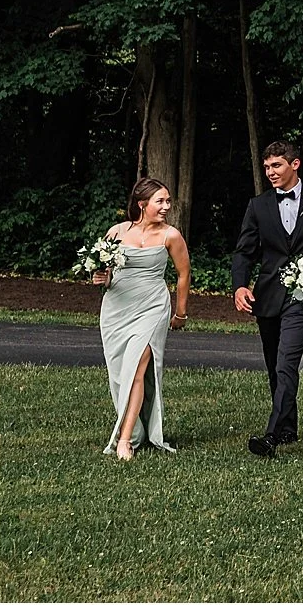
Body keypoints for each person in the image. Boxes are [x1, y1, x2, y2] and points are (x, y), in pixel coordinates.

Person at [232, 140, 303, 457]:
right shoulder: (258, 205)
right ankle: (288, 426)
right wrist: (239, 286)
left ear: (295, 164)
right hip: (268, 294)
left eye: (276, 165)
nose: (270, 172)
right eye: (266, 167)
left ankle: (272, 435)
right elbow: (244, 250)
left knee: (287, 361)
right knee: (275, 364)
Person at [97, 178, 190, 458]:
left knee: (138, 367)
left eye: (168, 201)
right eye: (160, 201)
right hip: (117, 308)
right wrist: (101, 277)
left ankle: (125, 440)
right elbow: (106, 273)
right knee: (119, 373)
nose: (166, 207)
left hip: (152, 307)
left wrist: (180, 312)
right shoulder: (116, 232)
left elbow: (184, 274)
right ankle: (136, 428)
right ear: (142, 204)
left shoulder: (170, 235)